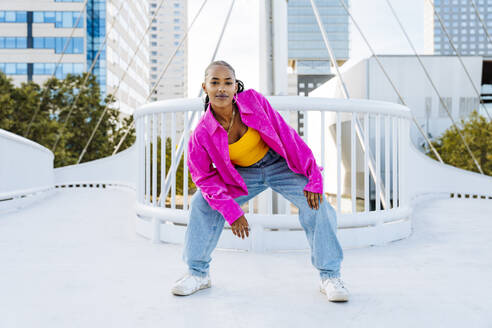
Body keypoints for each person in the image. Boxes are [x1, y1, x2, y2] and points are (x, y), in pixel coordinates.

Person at [171, 60, 349, 302]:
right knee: (201, 203)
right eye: (215, 82)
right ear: (205, 87)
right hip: (243, 175)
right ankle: (198, 273)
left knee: (318, 205)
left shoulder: (253, 101)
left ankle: (330, 276)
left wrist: (313, 177)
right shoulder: (201, 132)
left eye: (228, 82)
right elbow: (204, 178)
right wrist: (232, 212)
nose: (221, 88)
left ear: (236, 87)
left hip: (279, 164)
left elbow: (287, 135)